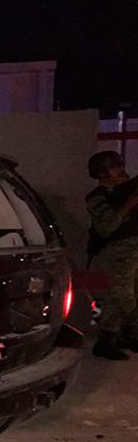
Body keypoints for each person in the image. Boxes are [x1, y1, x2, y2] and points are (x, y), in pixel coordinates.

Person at [85, 151, 138, 360]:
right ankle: (106, 340)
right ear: (102, 173)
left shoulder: (127, 188)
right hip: (118, 251)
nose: (121, 170)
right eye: (115, 167)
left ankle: (129, 335)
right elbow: (105, 228)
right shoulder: (97, 198)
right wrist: (128, 206)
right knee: (121, 297)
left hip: (134, 249)